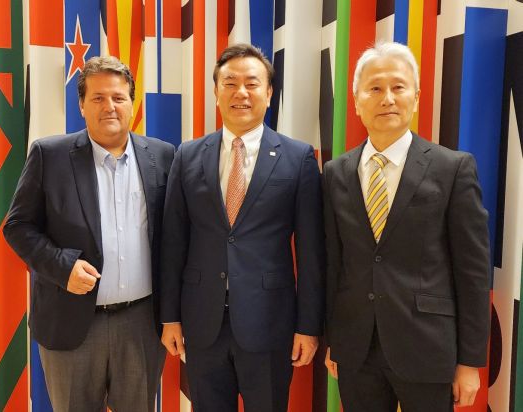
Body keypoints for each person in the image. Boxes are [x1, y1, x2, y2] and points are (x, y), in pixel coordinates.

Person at [322, 41, 490, 412]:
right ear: (357, 102)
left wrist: (470, 362)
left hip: (428, 347)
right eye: (374, 88)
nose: (387, 98)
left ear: (415, 97)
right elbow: (334, 263)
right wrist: (334, 338)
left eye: (398, 87)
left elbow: (473, 272)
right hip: (356, 347)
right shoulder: (336, 173)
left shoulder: (452, 168)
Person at [159, 43, 325, 412]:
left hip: (270, 322)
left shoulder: (297, 157)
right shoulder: (188, 155)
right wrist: (169, 316)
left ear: (269, 92)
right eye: (230, 83)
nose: (241, 93)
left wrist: (308, 326)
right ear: (216, 91)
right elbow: (173, 243)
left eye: (252, 83)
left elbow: (312, 251)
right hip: (202, 322)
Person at [3, 56, 174, 412]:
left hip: (141, 325)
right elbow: (18, 226)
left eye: (118, 97)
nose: (109, 106)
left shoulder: (162, 156)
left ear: (132, 103)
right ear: (81, 105)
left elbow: (173, 236)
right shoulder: (49, 155)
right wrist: (63, 267)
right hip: (71, 324)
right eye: (98, 98)